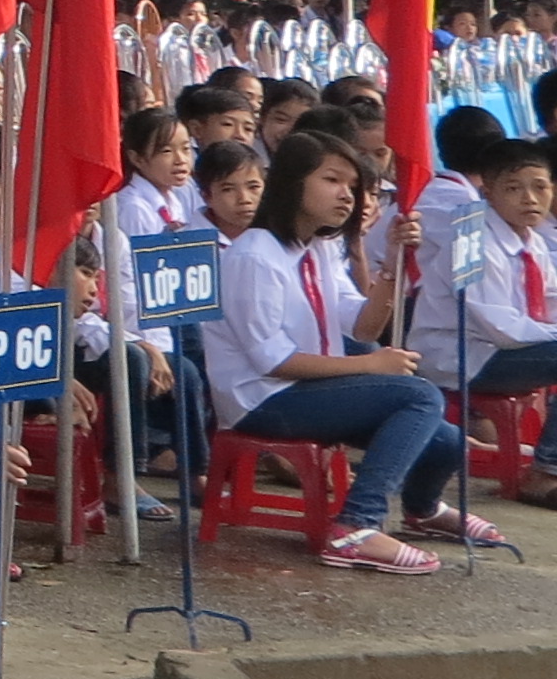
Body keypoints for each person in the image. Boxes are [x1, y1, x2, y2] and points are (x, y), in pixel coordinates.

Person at [201, 127, 474, 570]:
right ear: (293, 183)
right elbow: (272, 360)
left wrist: (392, 264)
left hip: (307, 390)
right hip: (264, 399)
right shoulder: (254, 255)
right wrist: (370, 365)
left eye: (352, 184)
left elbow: (364, 324)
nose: (347, 195)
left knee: (447, 441)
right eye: (332, 180)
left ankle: (423, 510)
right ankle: (356, 527)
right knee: (420, 396)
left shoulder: (320, 248)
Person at [417, 132, 557, 505]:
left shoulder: (532, 240)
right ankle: (545, 472)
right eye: (513, 188)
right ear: (488, 192)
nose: (530, 198)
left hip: (504, 350)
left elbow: (551, 302)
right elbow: (500, 327)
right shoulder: (469, 236)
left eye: (540, 187)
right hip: (461, 355)